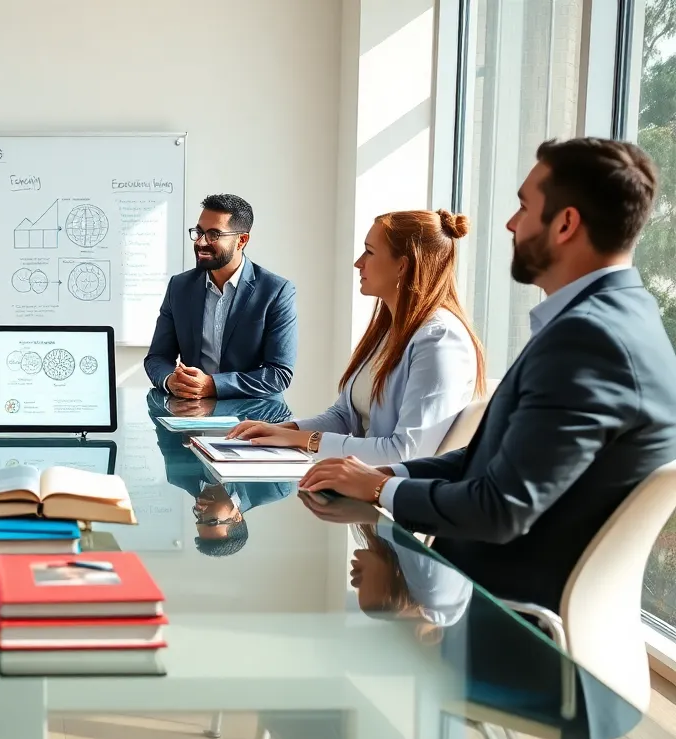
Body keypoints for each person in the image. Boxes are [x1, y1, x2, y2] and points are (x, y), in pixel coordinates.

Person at [301, 137, 676, 615]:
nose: (510, 224)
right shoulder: (605, 321)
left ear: (565, 224)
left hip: (507, 632)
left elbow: (501, 508)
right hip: (480, 608)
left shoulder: (588, 340)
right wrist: (382, 475)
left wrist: (378, 489)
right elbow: (486, 459)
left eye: (523, 207)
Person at [228, 210, 486, 462]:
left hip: (390, 497)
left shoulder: (440, 340)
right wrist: (285, 430)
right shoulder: (389, 331)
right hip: (358, 480)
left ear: (402, 266)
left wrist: (307, 440)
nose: (358, 262)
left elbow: (406, 453)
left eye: (369, 252)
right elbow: (343, 416)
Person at [144, 194, 298, 399]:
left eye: (214, 234)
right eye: (199, 232)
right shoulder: (179, 287)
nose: (201, 242)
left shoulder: (276, 291)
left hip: (253, 413)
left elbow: (278, 374)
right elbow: (157, 357)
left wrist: (212, 385)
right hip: (190, 410)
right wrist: (170, 380)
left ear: (241, 240)